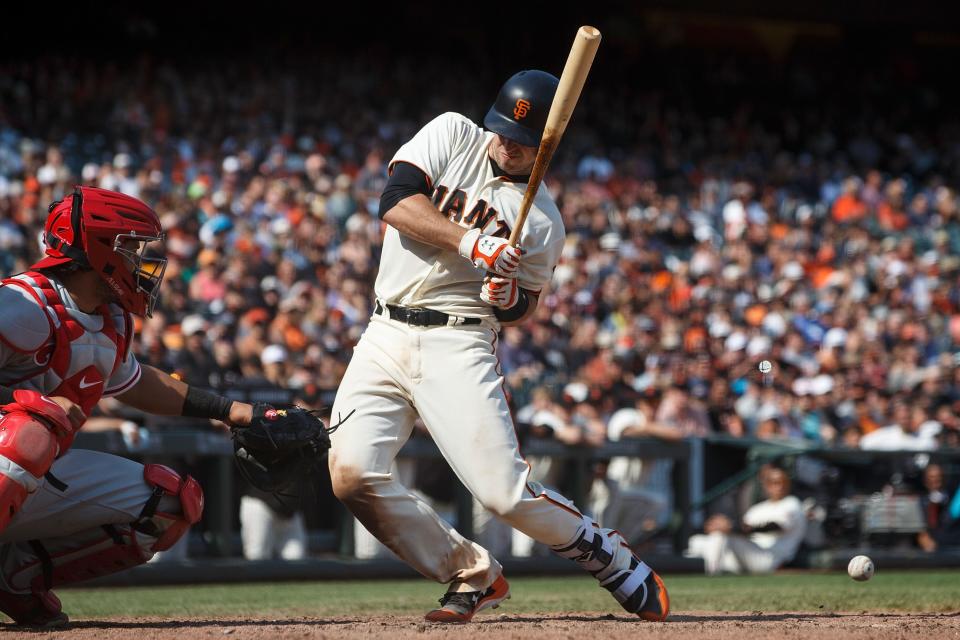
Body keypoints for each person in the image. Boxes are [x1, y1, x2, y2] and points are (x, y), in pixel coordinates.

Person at [328, 71, 669, 624]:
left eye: (523, 140)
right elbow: (394, 201)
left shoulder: (543, 221)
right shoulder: (452, 134)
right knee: (351, 474)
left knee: (504, 495)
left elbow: (521, 305)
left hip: (459, 341)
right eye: (503, 130)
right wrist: (474, 243)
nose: (507, 143)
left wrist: (507, 295)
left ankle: (602, 552)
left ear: (546, 148)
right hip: (384, 331)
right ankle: (471, 572)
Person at [0, 187, 257, 627]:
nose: (140, 262)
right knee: (35, 428)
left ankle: (13, 578)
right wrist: (34, 406)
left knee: (171, 503)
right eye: (130, 247)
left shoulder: (108, 317)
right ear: (96, 247)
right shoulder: (19, 306)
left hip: (29, 472)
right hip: (18, 449)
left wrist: (234, 411)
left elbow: (135, 383)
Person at [685, 465, 806, 575]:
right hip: (746, 555)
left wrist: (729, 528)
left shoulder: (792, 504)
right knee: (695, 541)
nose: (778, 486)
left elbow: (773, 526)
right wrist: (719, 525)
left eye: (782, 482)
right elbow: (744, 527)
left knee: (721, 535)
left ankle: (712, 575)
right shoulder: (759, 508)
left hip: (769, 559)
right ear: (766, 486)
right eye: (773, 483)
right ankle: (701, 572)